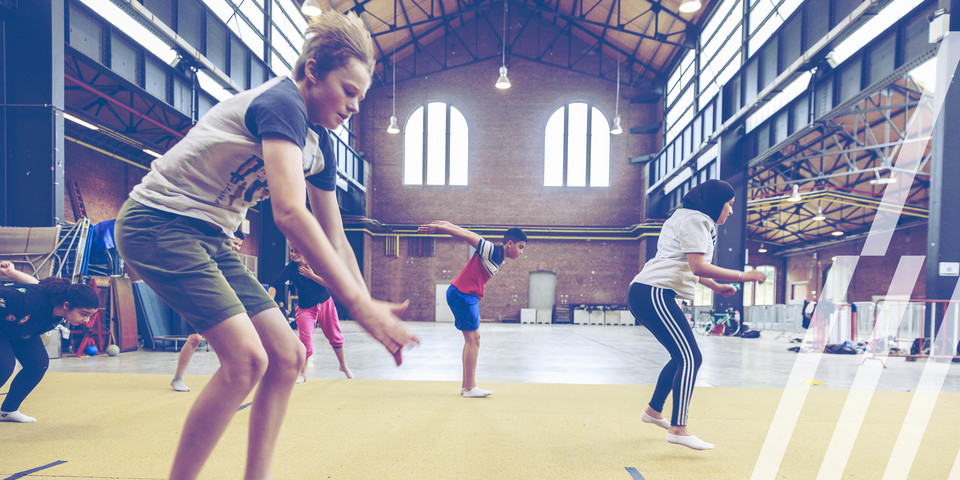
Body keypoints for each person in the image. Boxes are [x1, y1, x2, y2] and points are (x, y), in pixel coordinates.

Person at [113, 11, 419, 480]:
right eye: (348, 91)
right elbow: (290, 213)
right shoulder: (282, 103)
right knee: (246, 360)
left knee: (289, 355)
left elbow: (335, 236)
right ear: (312, 71)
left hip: (212, 237)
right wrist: (357, 305)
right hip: (158, 223)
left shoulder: (321, 143)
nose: (355, 106)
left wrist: (367, 302)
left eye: (361, 96)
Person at [627, 179, 765, 451]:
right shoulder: (696, 220)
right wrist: (744, 276)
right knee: (691, 357)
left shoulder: (684, 218)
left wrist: (715, 286)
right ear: (716, 202)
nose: (731, 211)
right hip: (654, 292)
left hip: (648, 291)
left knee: (681, 356)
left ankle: (654, 411)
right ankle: (678, 429)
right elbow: (698, 266)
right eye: (730, 204)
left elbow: (682, 263)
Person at [417, 221, 527, 398]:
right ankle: (469, 388)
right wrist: (439, 228)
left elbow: (465, 231)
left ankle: (466, 386)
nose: (521, 252)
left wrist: (444, 223)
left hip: (465, 295)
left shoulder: (497, 255)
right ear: (510, 244)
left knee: (472, 339)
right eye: (520, 247)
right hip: (463, 295)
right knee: (473, 339)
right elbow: (467, 235)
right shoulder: (492, 250)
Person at [0, 261, 99, 423]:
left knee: (38, 364)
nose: (86, 320)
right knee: (4, 366)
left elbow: (35, 283)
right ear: (67, 305)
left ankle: (8, 411)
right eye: (83, 314)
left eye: (90, 315)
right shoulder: (23, 300)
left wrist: (11, 272)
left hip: (21, 330)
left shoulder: (56, 301)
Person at [170, 230, 243, 392]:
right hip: (195, 297)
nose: (237, 247)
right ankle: (177, 378)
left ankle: (229, 377)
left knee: (227, 339)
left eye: (239, 245)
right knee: (195, 338)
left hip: (218, 300)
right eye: (235, 243)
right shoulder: (207, 252)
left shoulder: (230, 261)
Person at [268, 245, 352, 383]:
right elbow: (275, 283)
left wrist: (312, 276)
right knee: (305, 338)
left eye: (297, 251)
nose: (293, 254)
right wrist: (269, 302)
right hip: (305, 308)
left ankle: (343, 365)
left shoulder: (317, 263)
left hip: (325, 303)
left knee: (335, 335)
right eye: (291, 251)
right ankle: (303, 373)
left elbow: (331, 283)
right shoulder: (291, 268)